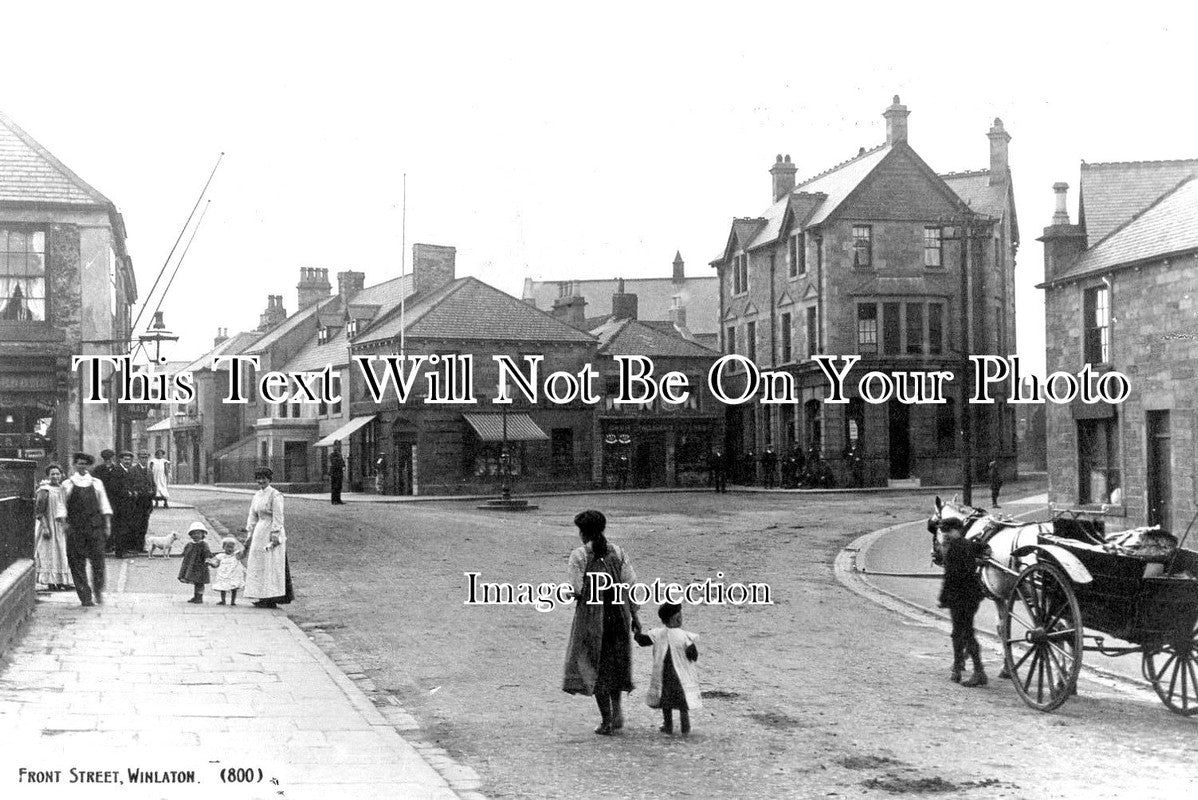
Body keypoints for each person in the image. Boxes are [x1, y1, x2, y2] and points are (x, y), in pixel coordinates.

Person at [562, 509, 642, 735]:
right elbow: (630, 586)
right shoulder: (618, 552)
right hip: (618, 615)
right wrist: (635, 616)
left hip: (591, 618)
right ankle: (617, 712)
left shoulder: (579, 556)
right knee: (615, 663)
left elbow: (575, 590)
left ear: (582, 532)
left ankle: (606, 720)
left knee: (593, 665)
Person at [634, 602, 702, 735]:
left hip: (664, 675)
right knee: (683, 705)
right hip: (680, 677)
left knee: (666, 702)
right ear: (676, 618)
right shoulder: (684, 636)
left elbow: (642, 641)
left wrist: (637, 632)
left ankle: (668, 725)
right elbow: (693, 655)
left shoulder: (658, 633)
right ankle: (685, 727)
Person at [937, 517, 988, 687]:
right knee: (966, 631)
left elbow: (950, 576)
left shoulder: (952, 549)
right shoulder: (970, 544)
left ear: (953, 531)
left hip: (958, 596)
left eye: (946, 532)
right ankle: (961, 668)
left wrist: (943, 598)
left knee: (961, 633)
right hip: (973, 596)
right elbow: (984, 548)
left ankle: (971, 670)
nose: (945, 536)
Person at [58, 452, 113, 607]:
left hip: (95, 527)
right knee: (76, 562)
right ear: (75, 465)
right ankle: (85, 596)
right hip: (75, 529)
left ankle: (98, 591)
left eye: (85, 463)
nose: (82, 466)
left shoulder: (96, 483)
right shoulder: (67, 484)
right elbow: (61, 506)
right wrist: (64, 524)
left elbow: (104, 504)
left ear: (89, 465)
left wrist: (107, 525)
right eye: (79, 463)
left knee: (98, 561)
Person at [243, 467, 293, 608]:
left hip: (271, 531)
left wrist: (275, 533)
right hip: (260, 531)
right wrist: (250, 533)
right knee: (259, 564)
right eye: (258, 478)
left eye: (264, 478)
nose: (261, 481)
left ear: (269, 479)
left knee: (271, 564)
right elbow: (252, 515)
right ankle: (261, 596)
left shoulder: (275, 495)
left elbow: (278, 516)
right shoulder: (257, 495)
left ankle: (271, 598)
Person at [34, 464, 73, 590]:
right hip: (49, 524)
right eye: (52, 474)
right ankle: (51, 582)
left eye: (57, 474)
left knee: (62, 552)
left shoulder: (63, 489)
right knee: (49, 553)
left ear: (62, 475)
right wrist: (45, 527)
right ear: (48, 476)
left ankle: (62, 581)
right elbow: (39, 512)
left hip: (61, 526)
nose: (55, 476)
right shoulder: (44, 490)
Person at [178, 522, 213, 604]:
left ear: (203, 534)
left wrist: (208, 559)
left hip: (200, 566)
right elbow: (185, 552)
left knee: (200, 582)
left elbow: (207, 553)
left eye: (198, 533)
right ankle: (196, 596)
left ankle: (199, 597)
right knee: (195, 581)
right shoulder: (189, 544)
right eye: (193, 534)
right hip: (191, 566)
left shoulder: (204, 544)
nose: (196, 535)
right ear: (190, 535)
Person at [209, 537, 247, 606]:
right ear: (223, 547)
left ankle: (233, 601)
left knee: (234, 587)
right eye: (228, 547)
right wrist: (211, 564)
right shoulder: (221, 556)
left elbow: (243, 555)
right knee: (222, 587)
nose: (230, 549)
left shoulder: (236, 555)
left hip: (233, 574)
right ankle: (223, 600)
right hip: (223, 574)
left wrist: (245, 547)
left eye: (232, 547)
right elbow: (216, 565)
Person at [93, 449, 117, 553]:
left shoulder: (116, 469)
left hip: (114, 499)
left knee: (114, 521)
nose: (109, 461)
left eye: (110, 459)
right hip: (102, 499)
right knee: (103, 521)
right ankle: (105, 544)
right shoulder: (98, 470)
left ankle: (112, 544)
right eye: (106, 459)